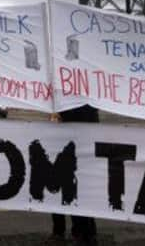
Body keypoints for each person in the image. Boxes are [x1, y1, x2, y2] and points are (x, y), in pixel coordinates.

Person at [48, 105, 99, 246]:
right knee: (58, 190)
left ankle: (84, 234)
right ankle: (64, 232)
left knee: (77, 193)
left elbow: (89, 123)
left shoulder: (83, 104)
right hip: (63, 146)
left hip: (79, 149)